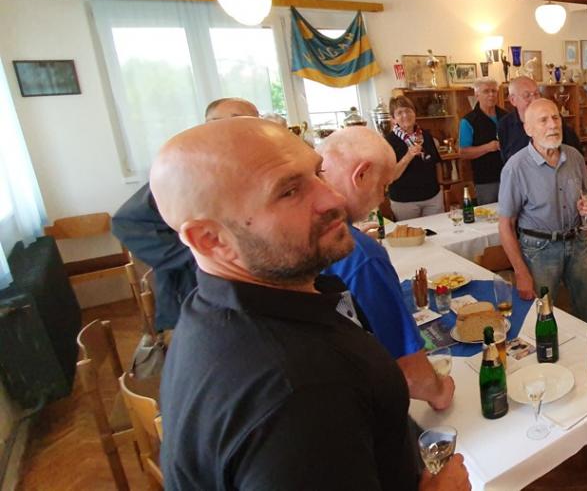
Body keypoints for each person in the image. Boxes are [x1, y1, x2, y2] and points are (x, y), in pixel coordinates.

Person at [151, 118, 467, 490]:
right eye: (288, 191)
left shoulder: (208, 311)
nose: (333, 198)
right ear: (210, 239)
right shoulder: (300, 392)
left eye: (318, 173)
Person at [110, 97, 260, 332]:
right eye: (234, 121)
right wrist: (200, 253)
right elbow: (127, 222)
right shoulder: (187, 168)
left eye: (248, 122)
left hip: (245, 289)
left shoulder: (253, 164)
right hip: (194, 295)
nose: (243, 129)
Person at [320, 127, 430, 359]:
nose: (382, 197)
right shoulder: (360, 253)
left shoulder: (308, 228)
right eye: (384, 186)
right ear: (361, 175)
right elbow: (406, 357)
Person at [497, 98, 587, 323]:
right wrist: (521, 272)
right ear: (528, 129)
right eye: (543, 120)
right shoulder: (516, 167)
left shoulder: (575, 157)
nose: (553, 125)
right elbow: (505, 225)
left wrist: (585, 207)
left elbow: (584, 199)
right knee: (542, 320)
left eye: (555, 118)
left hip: (578, 244)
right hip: (539, 251)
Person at [384, 96, 445, 219]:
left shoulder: (426, 136)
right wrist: (408, 156)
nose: (405, 115)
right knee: (411, 232)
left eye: (408, 110)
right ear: (393, 119)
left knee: (438, 230)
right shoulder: (388, 141)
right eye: (400, 113)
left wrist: (440, 186)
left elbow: (437, 162)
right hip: (405, 201)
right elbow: (390, 176)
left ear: (414, 113)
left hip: (433, 197)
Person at [499, 76, 582, 160]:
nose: (534, 100)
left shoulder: (553, 118)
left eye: (536, 94)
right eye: (527, 95)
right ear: (513, 100)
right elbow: (506, 159)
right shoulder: (504, 125)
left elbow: (574, 152)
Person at [458, 77, 505, 205]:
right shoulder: (468, 121)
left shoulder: (506, 116)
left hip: (509, 175)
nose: (491, 95)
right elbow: (463, 153)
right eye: (486, 91)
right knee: (489, 214)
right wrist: (488, 147)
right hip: (486, 180)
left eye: (494, 91)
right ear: (477, 95)